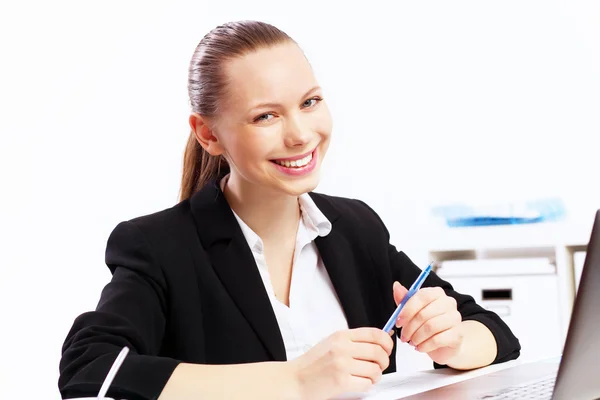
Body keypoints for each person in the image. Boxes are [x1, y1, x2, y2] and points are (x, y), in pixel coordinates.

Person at [58, 20, 520, 400]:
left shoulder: (354, 228)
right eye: (266, 116)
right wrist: (296, 380)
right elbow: (92, 371)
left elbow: (495, 332)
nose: (300, 134)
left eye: (310, 102)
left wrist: (454, 341)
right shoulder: (161, 247)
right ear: (209, 134)